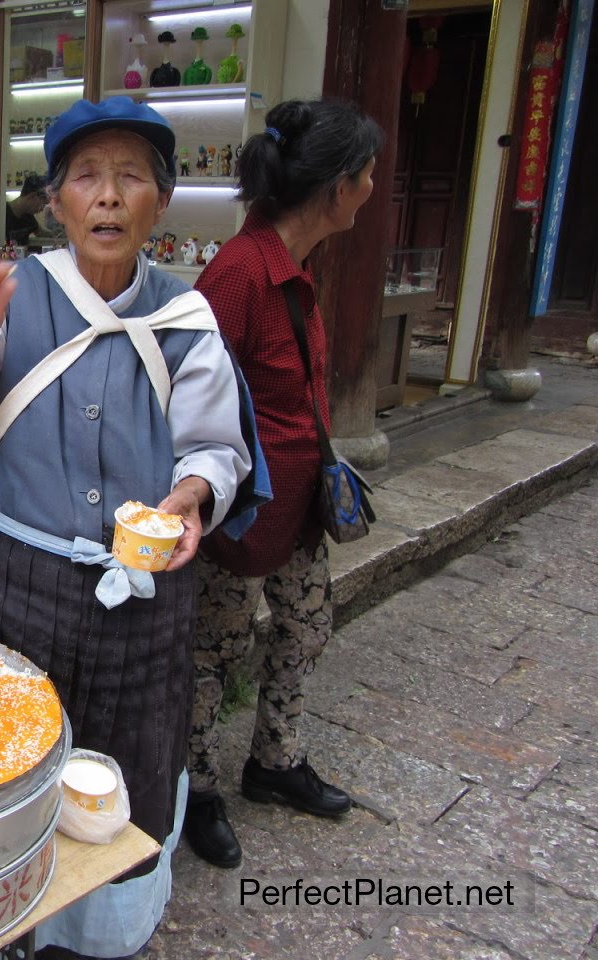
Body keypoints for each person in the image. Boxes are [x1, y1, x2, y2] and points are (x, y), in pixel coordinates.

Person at [0, 96, 253, 958]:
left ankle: (98, 936)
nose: (110, 197)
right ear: (57, 203)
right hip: (11, 584)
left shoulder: (188, 321)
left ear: (163, 201)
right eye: (87, 177)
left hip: (142, 601)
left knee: (123, 769)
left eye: (132, 178)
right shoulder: (12, 299)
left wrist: (192, 495)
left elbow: (216, 446)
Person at [184, 98, 385, 869]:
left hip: (301, 504)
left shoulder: (296, 263)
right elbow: (193, 394)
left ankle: (274, 761)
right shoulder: (238, 274)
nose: (370, 189)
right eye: (365, 177)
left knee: (305, 628)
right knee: (215, 651)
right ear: (336, 188)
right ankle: (197, 789)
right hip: (242, 511)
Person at [5, 172, 47, 245]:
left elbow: (42, 234)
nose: (42, 209)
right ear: (32, 196)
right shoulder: (3, 213)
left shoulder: (28, 216)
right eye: (43, 204)